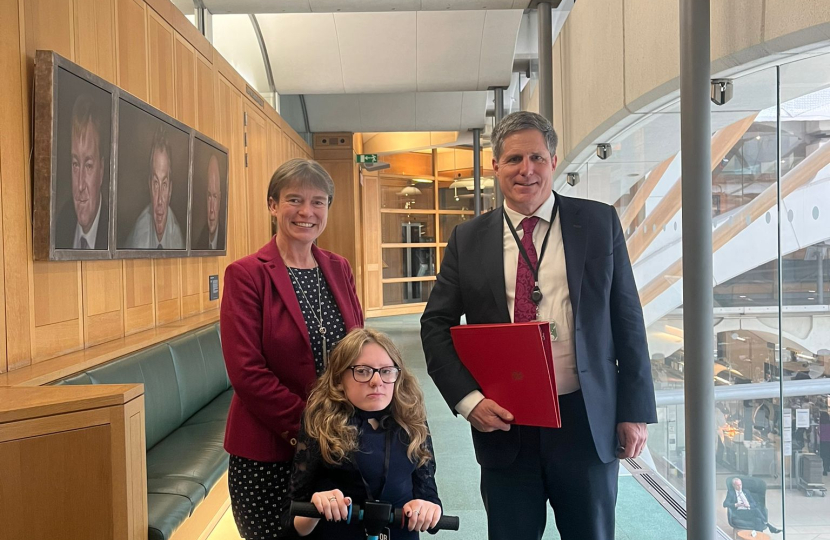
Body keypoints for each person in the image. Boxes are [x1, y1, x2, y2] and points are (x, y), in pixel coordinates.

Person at [420, 111, 657, 540]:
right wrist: (468, 400)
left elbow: (627, 319)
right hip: (504, 421)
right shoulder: (467, 239)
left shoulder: (599, 224)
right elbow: (435, 325)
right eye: (513, 159)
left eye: (536, 157)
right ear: (495, 167)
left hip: (585, 419)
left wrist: (634, 411)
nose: (525, 170)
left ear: (553, 161)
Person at [220, 158, 364, 539]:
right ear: (272, 205)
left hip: (338, 443)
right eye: (294, 200)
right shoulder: (246, 274)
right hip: (270, 448)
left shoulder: (339, 268)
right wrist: (310, 429)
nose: (306, 212)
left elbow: (359, 349)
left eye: (318, 202)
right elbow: (246, 372)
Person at [286, 328, 442, 539]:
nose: (377, 381)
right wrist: (316, 506)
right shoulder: (320, 423)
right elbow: (294, 523)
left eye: (386, 371)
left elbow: (429, 497)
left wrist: (428, 509)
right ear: (339, 379)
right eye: (362, 371)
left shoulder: (411, 419)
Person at [56, 94, 108, 250]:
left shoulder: (117, 233)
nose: (80, 185)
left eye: (89, 166)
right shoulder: (60, 225)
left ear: (101, 170)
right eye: (75, 164)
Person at [125, 127, 185, 249]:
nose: (159, 200)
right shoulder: (139, 237)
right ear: (149, 185)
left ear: (170, 190)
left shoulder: (177, 238)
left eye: (164, 185)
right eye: (156, 183)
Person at [194, 154, 223, 250]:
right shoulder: (199, 243)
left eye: (215, 197)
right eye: (209, 196)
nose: (211, 209)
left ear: (220, 199)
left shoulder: (223, 239)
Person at [820, 410, 830, 476]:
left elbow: (818, 432)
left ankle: (825, 470)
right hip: (829, 441)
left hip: (823, 442)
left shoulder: (821, 425)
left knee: (824, 456)